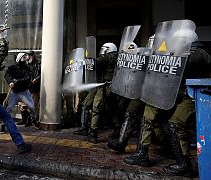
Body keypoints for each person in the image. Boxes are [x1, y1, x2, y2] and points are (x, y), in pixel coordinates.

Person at [124, 35, 211, 178]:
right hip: (177, 94)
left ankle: (184, 164)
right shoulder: (182, 53)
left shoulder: (200, 53)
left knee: (175, 123)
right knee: (149, 114)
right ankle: (142, 153)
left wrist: (168, 56)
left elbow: (187, 60)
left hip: (196, 96)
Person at [73, 42, 119, 144]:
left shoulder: (111, 56)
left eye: (104, 50)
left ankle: (93, 134)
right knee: (113, 109)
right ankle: (118, 129)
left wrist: (85, 61)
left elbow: (98, 61)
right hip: (108, 87)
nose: (102, 52)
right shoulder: (115, 57)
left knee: (96, 108)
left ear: (109, 50)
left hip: (106, 87)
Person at [4, 52, 40, 129]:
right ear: (19, 58)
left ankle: (34, 121)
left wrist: (17, 81)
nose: (26, 58)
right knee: (9, 108)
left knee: (32, 107)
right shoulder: (12, 67)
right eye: (24, 57)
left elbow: (27, 79)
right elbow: (7, 74)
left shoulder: (27, 68)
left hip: (24, 92)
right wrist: (10, 81)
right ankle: (4, 124)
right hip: (14, 92)